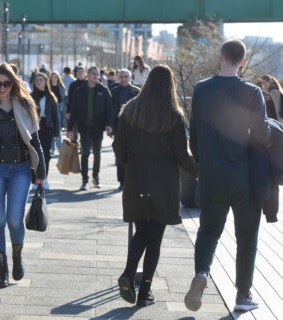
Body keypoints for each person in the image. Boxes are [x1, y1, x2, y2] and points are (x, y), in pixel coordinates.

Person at [184, 39, 271, 312]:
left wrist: (201, 163)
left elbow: (194, 137)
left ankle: (201, 273)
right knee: (246, 236)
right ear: (242, 61)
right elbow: (262, 135)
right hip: (243, 177)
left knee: (208, 230)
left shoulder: (201, 89)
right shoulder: (252, 93)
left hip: (211, 175)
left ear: (221, 57)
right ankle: (243, 295)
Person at [114, 65, 197, 307]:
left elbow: (119, 149)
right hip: (164, 182)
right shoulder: (174, 115)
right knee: (155, 237)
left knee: (141, 230)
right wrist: (199, 173)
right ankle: (145, 292)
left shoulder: (130, 110)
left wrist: (132, 163)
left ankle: (128, 273)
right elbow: (182, 155)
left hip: (137, 177)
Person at [0, 63, 46, 288]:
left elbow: (35, 140)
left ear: (13, 82)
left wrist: (41, 172)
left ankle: (17, 255)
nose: (2, 87)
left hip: (20, 169)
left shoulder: (25, 104)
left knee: (14, 219)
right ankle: (2, 270)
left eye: (6, 83)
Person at [67, 66, 113, 190]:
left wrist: (109, 124)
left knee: (97, 153)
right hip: (84, 127)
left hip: (98, 127)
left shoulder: (103, 90)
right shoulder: (80, 90)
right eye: (93, 74)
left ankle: (96, 178)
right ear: (88, 74)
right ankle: (84, 180)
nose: (96, 76)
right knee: (85, 153)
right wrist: (70, 128)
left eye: (97, 74)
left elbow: (109, 109)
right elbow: (74, 110)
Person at [111, 69, 141, 189]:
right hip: (119, 125)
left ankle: (131, 179)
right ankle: (121, 181)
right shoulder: (114, 91)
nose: (123, 79)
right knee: (120, 153)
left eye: (126, 76)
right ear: (118, 78)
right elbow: (111, 109)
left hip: (133, 126)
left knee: (134, 154)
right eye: (121, 76)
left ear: (130, 78)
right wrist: (110, 126)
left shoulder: (136, 91)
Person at [31, 72, 59, 190]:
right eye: (37, 80)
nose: (39, 82)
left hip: (47, 127)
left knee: (46, 154)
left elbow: (55, 116)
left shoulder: (50, 97)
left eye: (41, 80)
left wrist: (56, 133)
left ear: (45, 82)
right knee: (34, 154)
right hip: (34, 128)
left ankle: (44, 178)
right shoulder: (31, 96)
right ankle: (34, 180)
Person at [66, 66, 87, 144]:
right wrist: (68, 111)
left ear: (85, 73)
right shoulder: (73, 85)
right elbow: (70, 99)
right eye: (78, 72)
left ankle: (83, 148)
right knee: (74, 132)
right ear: (76, 74)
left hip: (85, 112)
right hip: (74, 111)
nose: (80, 74)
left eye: (82, 72)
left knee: (84, 133)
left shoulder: (88, 84)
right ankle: (74, 147)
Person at [49, 71, 67, 152]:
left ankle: (59, 146)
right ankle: (52, 148)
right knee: (51, 128)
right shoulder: (48, 87)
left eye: (55, 77)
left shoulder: (61, 87)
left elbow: (64, 98)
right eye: (52, 77)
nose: (54, 78)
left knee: (58, 128)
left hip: (59, 108)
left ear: (58, 78)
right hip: (50, 108)